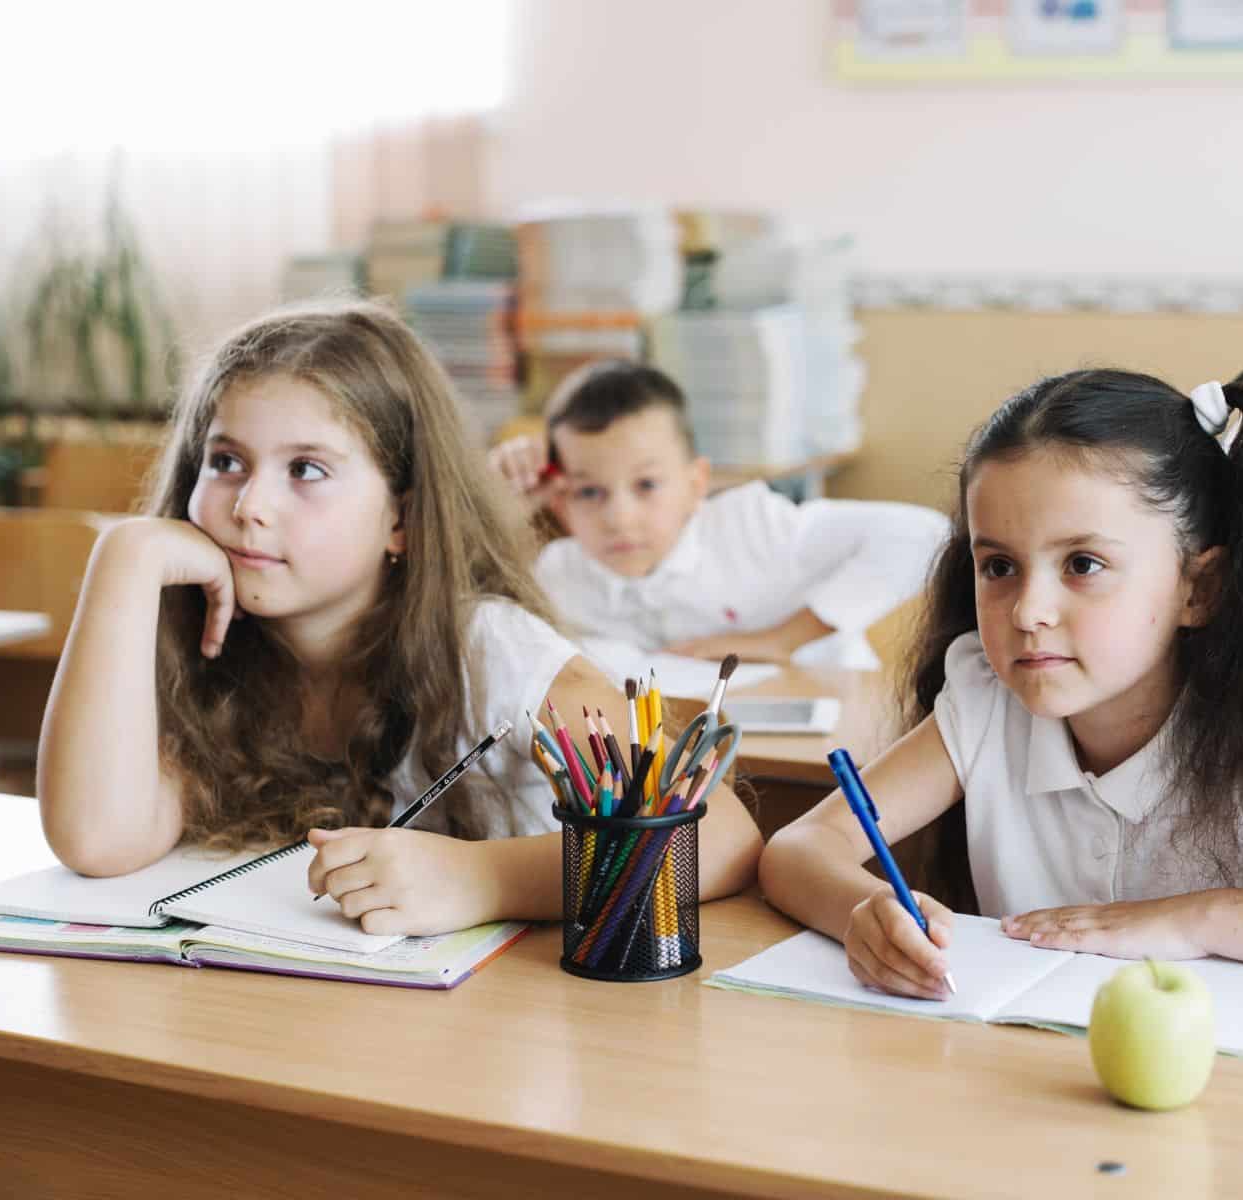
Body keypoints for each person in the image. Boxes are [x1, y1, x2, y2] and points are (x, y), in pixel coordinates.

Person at [758, 368, 1243, 1001]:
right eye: (998, 566)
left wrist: (1197, 920)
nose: (1028, 610)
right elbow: (800, 846)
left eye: (1083, 565)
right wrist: (867, 907)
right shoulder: (986, 707)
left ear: (1201, 588)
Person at [38, 301, 761, 934]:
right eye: (225, 461)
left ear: (403, 518)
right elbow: (98, 840)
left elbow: (722, 837)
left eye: (306, 470)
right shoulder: (206, 652)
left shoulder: (489, 651)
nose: (249, 506)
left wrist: (485, 879)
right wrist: (124, 560)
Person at [488, 360, 949, 669]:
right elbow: (461, 606)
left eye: (647, 485)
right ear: (558, 498)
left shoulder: (753, 527)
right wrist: (502, 498)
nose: (618, 517)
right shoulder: (557, 574)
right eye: (589, 491)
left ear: (696, 483)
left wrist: (780, 640)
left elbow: (925, 534)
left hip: (830, 756)